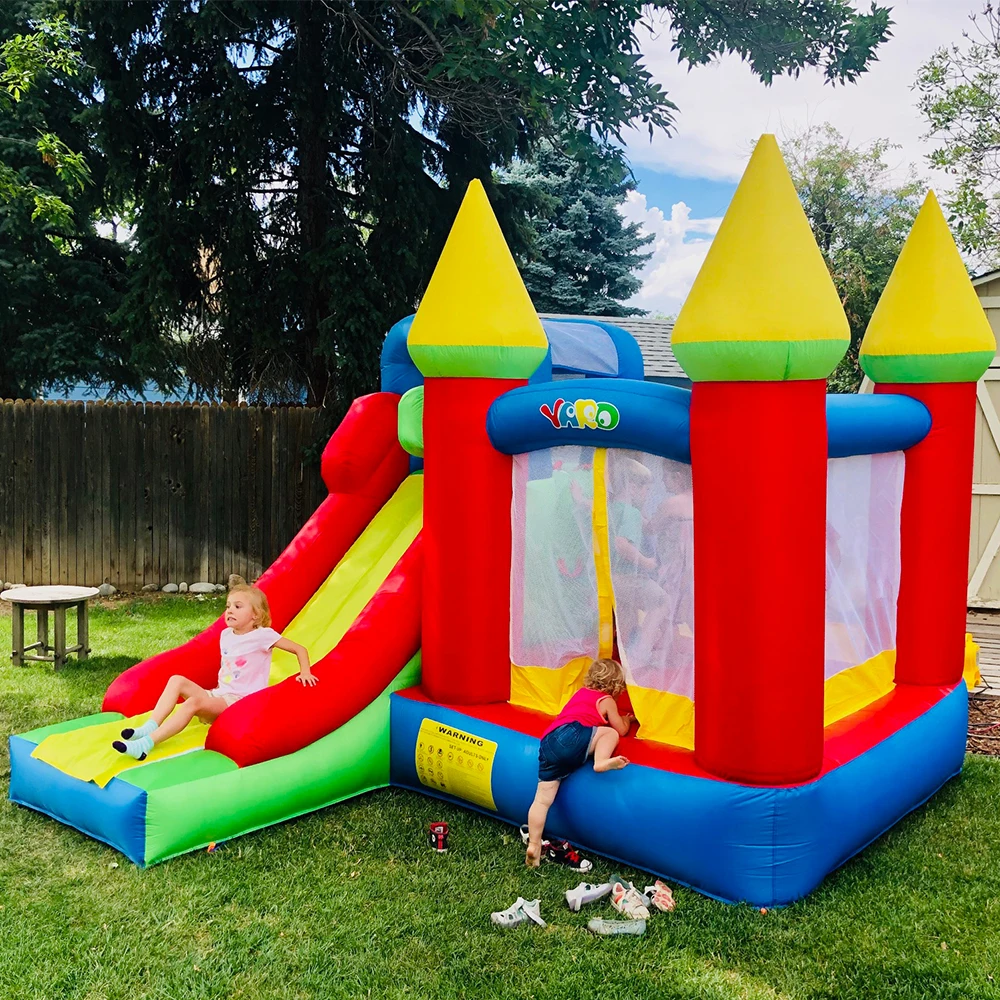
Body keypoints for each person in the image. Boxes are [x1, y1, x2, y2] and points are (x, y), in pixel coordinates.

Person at [112, 583, 316, 761]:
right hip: (219, 695)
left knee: (192, 702)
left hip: (241, 702)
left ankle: (145, 745)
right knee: (177, 680)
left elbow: (300, 649)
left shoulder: (263, 635)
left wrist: (305, 672)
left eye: (238, 607)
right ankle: (149, 727)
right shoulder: (226, 634)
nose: (229, 611)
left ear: (255, 615)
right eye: (228, 606)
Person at [524, 658, 632, 867]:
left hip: (549, 742)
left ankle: (534, 845)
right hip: (573, 735)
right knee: (608, 733)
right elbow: (621, 729)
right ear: (616, 685)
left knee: (542, 800)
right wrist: (627, 719)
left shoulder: (580, 693)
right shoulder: (606, 699)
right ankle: (601, 761)